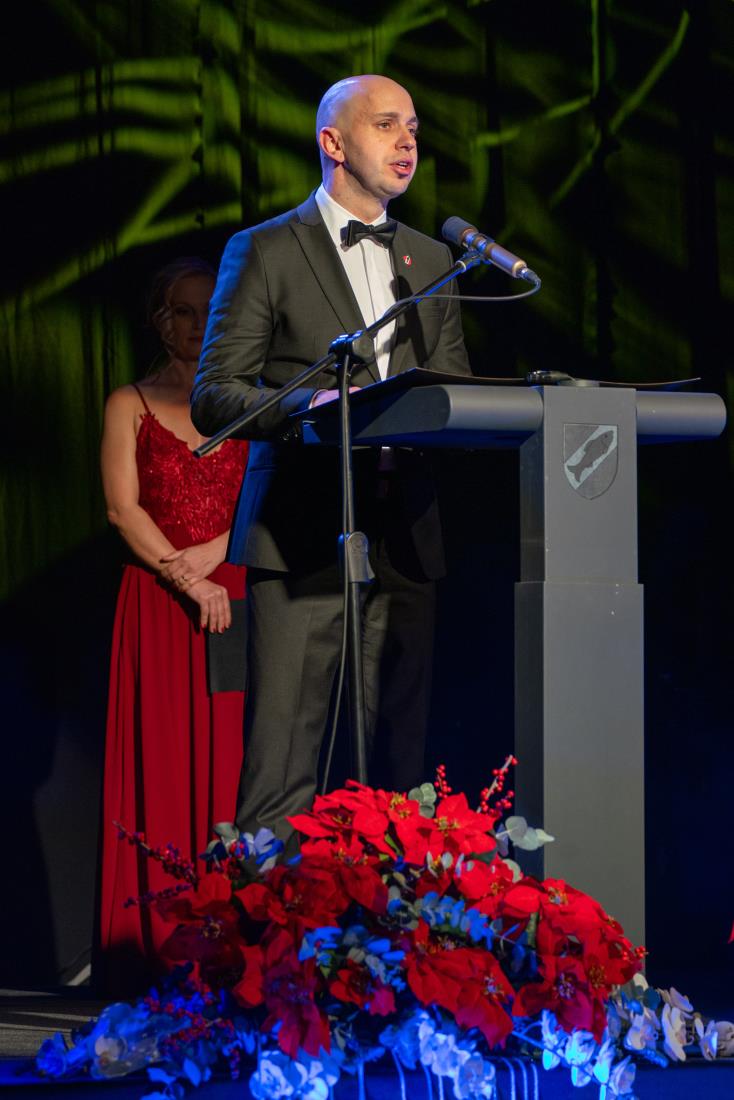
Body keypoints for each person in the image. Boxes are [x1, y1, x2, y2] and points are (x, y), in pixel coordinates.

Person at [191, 75, 471, 856]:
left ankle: (392, 926)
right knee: (283, 763)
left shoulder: (433, 258)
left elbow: (453, 390)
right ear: (333, 142)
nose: (408, 141)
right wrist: (311, 406)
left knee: (399, 773)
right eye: (386, 125)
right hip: (301, 532)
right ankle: (264, 924)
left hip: (406, 536)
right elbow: (216, 394)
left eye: (414, 127)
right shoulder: (266, 249)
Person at [97, 258, 249, 994]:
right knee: (160, 762)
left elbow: (268, 494)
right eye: (184, 311)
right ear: (160, 321)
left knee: (234, 765)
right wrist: (188, 577)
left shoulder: (248, 399)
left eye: (209, 311)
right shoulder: (129, 402)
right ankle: (155, 946)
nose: (197, 324)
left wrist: (217, 557)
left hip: (236, 597)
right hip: (159, 602)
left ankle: (232, 947)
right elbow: (122, 509)